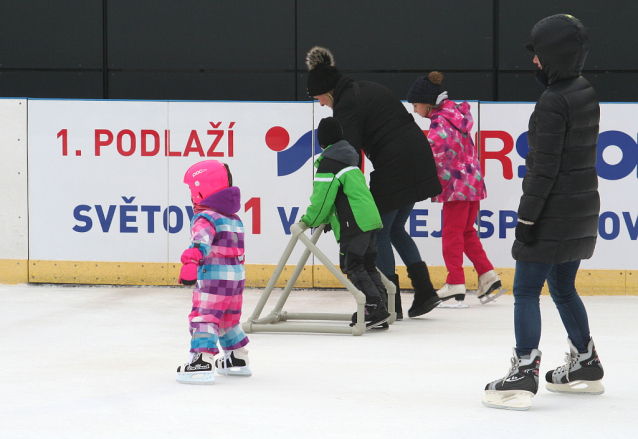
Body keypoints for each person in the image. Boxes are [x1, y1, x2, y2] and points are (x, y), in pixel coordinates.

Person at [483, 14, 604, 411]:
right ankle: (586, 362)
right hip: (580, 209)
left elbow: (544, 170)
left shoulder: (553, 102)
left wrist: (526, 220)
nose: (534, 61)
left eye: (538, 54)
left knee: (525, 290)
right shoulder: (584, 90)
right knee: (564, 288)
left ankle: (523, 370)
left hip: (552, 213)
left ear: (554, 54)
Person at [305, 46, 443, 320]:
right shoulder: (362, 88)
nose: (320, 103)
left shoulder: (346, 104)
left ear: (327, 90)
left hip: (398, 165)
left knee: (377, 230)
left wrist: (340, 199)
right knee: (395, 229)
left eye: (318, 96)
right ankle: (425, 291)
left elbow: (347, 154)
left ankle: (390, 304)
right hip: (417, 157)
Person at [407, 71, 504, 308]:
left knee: (451, 234)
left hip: (456, 188)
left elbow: (435, 155)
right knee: (466, 232)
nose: (414, 110)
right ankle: (488, 276)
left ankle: (455, 285)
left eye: (416, 104)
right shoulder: (456, 115)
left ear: (429, 104)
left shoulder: (440, 123)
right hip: (471, 184)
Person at [300, 117, 390, 329]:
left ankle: (374, 307)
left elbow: (321, 201)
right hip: (369, 219)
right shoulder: (349, 160)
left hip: (355, 224)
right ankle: (381, 307)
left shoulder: (329, 163)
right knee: (367, 265)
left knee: (353, 264)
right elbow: (345, 196)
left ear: (321, 143)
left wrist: (310, 220)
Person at [176, 159, 252, 385]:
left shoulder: (205, 217)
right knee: (229, 320)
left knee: (204, 316)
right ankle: (237, 358)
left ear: (201, 188)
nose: (190, 195)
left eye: (192, 190)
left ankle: (201, 360)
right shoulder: (234, 218)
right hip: (236, 276)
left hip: (214, 276)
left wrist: (190, 264)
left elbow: (201, 243)